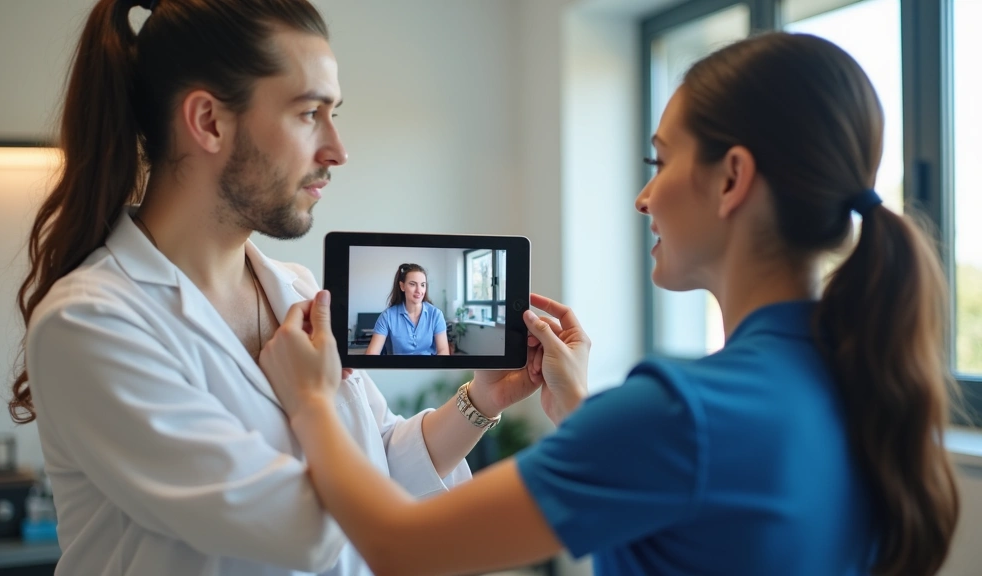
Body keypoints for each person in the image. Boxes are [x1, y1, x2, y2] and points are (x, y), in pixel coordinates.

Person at [262, 32, 961, 576]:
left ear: (732, 180)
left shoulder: (680, 414)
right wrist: (576, 408)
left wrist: (315, 403)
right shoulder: (859, 379)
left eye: (660, 163)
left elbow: (398, 546)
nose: (643, 197)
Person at [8, 1, 540, 574]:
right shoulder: (92, 325)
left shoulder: (297, 289)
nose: (337, 149)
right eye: (310, 113)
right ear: (209, 121)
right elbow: (309, 529)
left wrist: (483, 401)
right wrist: (312, 403)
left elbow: (380, 463)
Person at [364, 263, 449, 356]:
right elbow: (371, 354)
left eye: (422, 285)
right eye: (413, 284)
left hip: (428, 368)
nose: (419, 290)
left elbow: (443, 351)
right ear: (402, 286)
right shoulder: (387, 316)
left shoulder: (436, 314)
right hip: (399, 368)